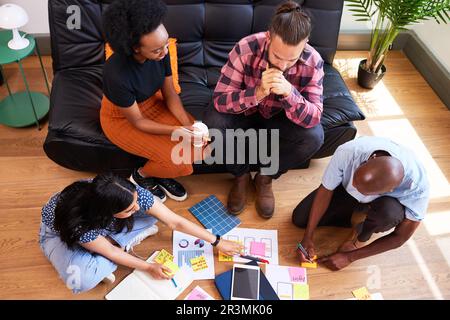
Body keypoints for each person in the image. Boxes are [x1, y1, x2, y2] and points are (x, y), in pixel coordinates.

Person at [203, 1, 325, 218]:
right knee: (214, 121)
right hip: (246, 112)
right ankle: (240, 176)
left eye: (292, 59)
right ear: (269, 37)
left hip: (280, 117)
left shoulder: (313, 61)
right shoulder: (246, 48)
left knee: (314, 137)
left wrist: (290, 93)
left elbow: (314, 116)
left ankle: (265, 177)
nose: (283, 65)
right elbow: (220, 100)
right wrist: (257, 93)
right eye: (277, 56)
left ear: (305, 43)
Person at [39, 173, 243, 293]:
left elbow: (175, 221)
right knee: (82, 280)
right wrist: (148, 266)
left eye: (136, 201)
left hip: (102, 226)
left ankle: (112, 242)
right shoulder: (78, 224)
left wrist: (217, 241)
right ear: (107, 212)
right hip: (60, 232)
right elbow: (113, 254)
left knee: (154, 214)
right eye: (129, 209)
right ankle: (108, 249)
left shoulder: (126, 193)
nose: (137, 207)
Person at [101, 0, 208, 203]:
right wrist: (175, 131)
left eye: (166, 44)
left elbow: (170, 95)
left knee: (199, 145)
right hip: (123, 117)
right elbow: (138, 122)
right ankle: (142, 175)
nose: (165, 52)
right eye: (157, 50)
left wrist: (187, 125)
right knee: (178, 158)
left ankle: (161, 172)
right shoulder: (116, 73)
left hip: (154, 102)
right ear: (135, 49)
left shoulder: (161, 53)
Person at [292, 136, 430, 271]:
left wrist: (350, 257)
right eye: (356, 181)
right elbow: (326, 190)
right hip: (345, 191)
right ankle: (357, 209)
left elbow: (401, 237)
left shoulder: (417, 186)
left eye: (366, 193)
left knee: (389, 214)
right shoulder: (347, 152)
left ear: (391, 189)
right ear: (369, 160)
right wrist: (308, 236)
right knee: (300, 218)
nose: (357, 191)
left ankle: (360, 237)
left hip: (383, 205)